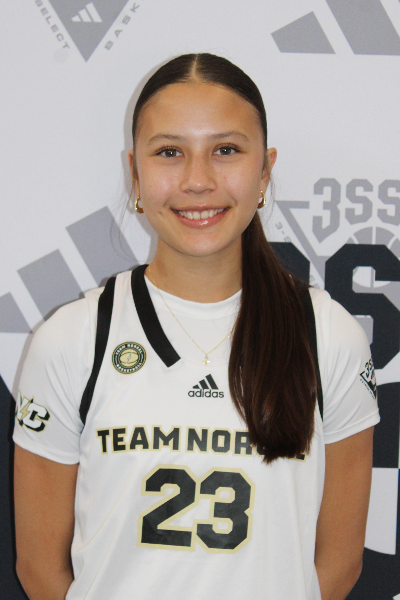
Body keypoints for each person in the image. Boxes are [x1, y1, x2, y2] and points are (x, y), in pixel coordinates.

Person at [13, 53, 379, 600]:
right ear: (135, 173)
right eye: (169, 152)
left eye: (225, 150)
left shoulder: (328, 337)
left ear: (265, 169)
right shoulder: (71, 340)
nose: (198, 181)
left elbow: (339, 563)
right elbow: (40, 570)